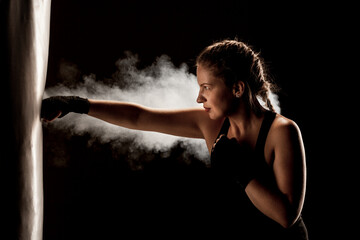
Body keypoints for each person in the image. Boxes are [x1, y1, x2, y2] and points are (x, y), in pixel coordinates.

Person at [41, 39, 308, 239]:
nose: (199, 98)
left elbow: (287, 216)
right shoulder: (211, 123)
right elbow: (139, 118)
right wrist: (77, 104)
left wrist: (241, 169)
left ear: (237, 88)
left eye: (206, 87)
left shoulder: (282, 131)